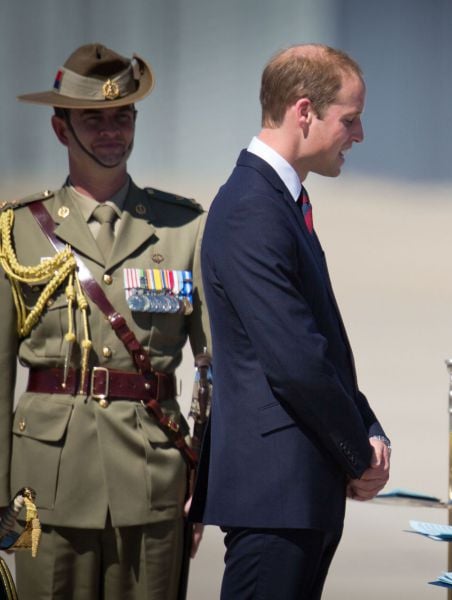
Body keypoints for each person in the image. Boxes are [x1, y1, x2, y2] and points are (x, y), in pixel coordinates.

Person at [0, 43, 209, 599]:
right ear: (60, 128)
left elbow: (218, 371)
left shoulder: (183, 229)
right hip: (45, 485)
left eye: (123, 116)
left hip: (153, 479)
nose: (112, 130)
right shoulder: (17, 230)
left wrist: (208, 483)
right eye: (94, 119)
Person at [191, 44, 390, 599]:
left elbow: (316, 343)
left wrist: (366, 428)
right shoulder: (254, 206)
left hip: (295, 493)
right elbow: (296, 361)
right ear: (304, 112)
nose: (359, 135)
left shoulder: (277, 200)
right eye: (349, 120)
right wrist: (357, 450)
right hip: (274, 492)